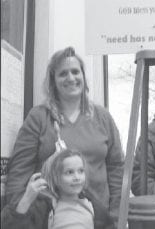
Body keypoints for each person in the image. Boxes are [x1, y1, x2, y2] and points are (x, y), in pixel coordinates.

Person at [4, 47, 124, 225]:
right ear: (53, 81)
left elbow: (117, 170)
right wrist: (17, 216)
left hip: (98, 219)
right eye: (63, 74)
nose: (71, 78)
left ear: (83, 76)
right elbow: (19, 172)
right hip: (51, 219)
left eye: (75, 72)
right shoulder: (38, 117)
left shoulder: (103, 118)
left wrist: (116, 217)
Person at [2, 149, 114, 229]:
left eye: (81, 171)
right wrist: (27, 198)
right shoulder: (44, 208)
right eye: (69, 172)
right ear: (55, 177)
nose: (77, 177)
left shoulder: (93, 207)